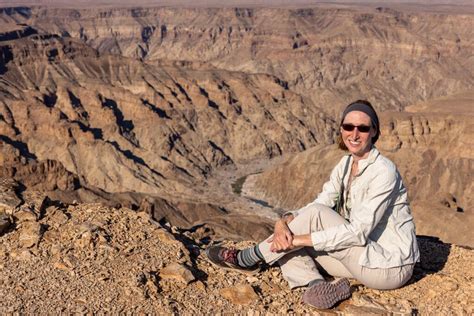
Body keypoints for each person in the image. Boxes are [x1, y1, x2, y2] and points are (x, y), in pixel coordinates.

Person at [206, 100, 420, 309]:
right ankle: (317, 286)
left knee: (297, 236)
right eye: (348, 127)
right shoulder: (345, 164)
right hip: (361, 259)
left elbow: (357, 232)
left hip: (388, 267)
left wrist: (297, 239)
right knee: (286, 247)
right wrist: (283, 222)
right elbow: (321, 202)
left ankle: (248, 258)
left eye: (362, 128)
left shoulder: (383, 171)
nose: (354, 134)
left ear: (374, 131)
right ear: (341, 129)